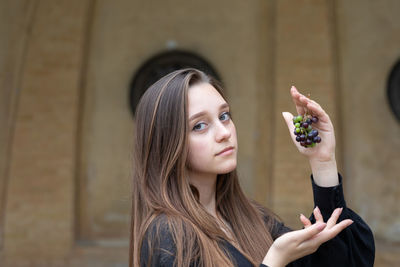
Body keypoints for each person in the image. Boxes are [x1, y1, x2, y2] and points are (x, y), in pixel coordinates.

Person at [129, 68, 374, 267]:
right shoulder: (167, 235)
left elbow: (340, 261)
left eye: (224, 116)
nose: (224, 133)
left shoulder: (252, 217)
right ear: (166, 142)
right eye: (199, 126)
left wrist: (323, 162)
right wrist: (275, 259)